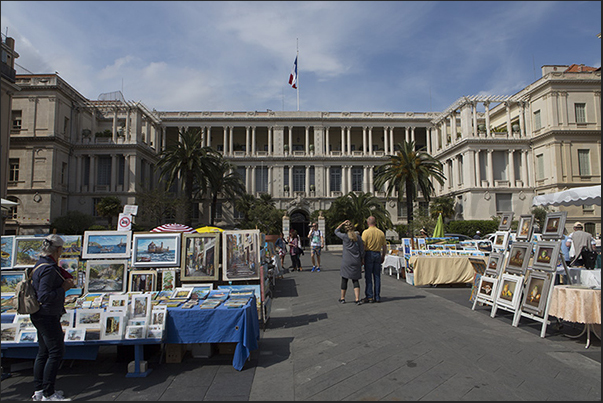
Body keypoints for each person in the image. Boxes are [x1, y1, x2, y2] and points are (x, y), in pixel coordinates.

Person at [30, 234, 75, 401]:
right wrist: (63, 288)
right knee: (56, 352)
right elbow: (45, 296)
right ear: (58, 249)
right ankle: (48, 393)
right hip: (47, 314)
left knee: (43, 352)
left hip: (40, 315)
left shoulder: (41, 264)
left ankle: (39, 391)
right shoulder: (48, 268)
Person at [335, 220, 365, 305]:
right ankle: (357, 299)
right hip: (356, 260)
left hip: (346, 261)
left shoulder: (345, 237)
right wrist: (362, 259)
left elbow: (336, 231)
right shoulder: (358, 237)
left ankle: (342, 298)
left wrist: (342, 223)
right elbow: (361, 250)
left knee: (344, 279)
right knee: (355, 280)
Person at [361, 216, 387, 303]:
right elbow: (384, 246)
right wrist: (383, 255)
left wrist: (362, 257)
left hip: (369, 254)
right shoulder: (381, 233)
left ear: (368, 223)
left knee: (368, 276)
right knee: (377, 276)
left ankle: (369, 296)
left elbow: (364, 245)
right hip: (377, 253)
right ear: (375, 222)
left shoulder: (366, 232)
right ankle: (377, 296)